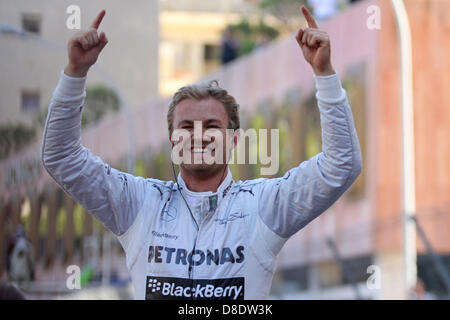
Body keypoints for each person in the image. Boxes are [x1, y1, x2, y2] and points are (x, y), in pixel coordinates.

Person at [41, 5, 362, 300]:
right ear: (172, 140)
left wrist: (325, 74)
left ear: (234, 140)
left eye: (211, 125)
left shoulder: (263, 204)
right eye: (186, 127)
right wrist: (75, 72)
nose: (198, 136)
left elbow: (340, 166)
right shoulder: (139, 203)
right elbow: (61, 158)